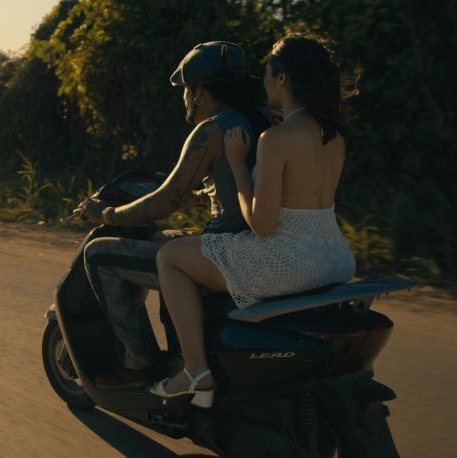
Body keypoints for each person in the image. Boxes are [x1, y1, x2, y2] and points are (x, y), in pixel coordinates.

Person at [149, 34, 357, 408]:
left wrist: (235, 162)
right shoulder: (333, 134)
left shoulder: (275, 139)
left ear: (282, 79)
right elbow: (300, 199)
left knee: (170, 257)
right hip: (334, 257)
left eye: (267, 73)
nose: (262, 81)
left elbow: (262, 224)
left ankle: (195, 370)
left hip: (288, 261)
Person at [73, 41, 271, 389]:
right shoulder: (262, 118)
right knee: (165, 239)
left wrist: (107, 214)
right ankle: (180, 352)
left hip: (227, 252)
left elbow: (164, 200)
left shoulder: (212, 130)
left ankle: (137, 363)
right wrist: (204, 196)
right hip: (258, 245)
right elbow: (243, 181)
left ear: (199, 93)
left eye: (186, 90)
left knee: (99, 254)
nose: (184, 97)